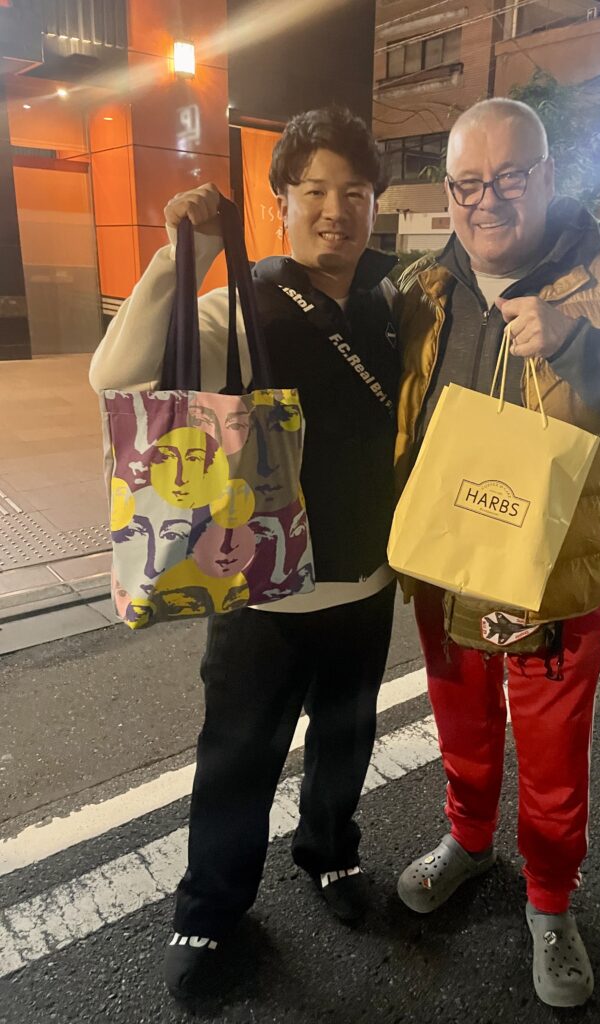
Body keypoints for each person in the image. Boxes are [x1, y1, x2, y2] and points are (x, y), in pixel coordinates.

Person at [393, 98, 600, 1009]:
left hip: (556, 583)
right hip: (450, 567)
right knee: (463, 729)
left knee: (554, 754)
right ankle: (467, 841)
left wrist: (578, 343)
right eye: (467, 183)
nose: (487, 200)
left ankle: (551, 901)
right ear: (449, 193)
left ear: (548, 177)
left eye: (509, 177)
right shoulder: (424, 289)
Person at [89, 106, 401, 999]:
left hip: (367, 580)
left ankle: (331, 854)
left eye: (355, 192)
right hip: (261, 592)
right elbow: (116, 377)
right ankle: (210, 910)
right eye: (315, 192)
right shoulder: (239, 305)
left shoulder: (393, 303)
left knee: (345, 740)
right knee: (237, 758)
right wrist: (174, 257)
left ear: (373, 203)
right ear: (281, 203)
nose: (335, 211)